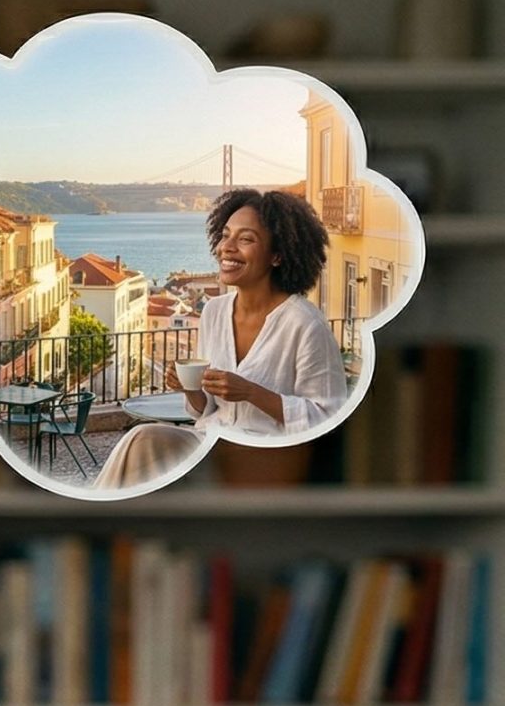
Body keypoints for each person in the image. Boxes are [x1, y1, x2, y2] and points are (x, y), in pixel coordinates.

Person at [95, 188, 347, 490]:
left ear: (277, 255)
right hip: (210, 443)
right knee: (142, 438)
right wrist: (190, 389)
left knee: (142, 456)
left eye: (246, 239)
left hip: (267, 457)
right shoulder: (214, 311)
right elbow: (205, 410)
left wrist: (251, 392)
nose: (226, 248)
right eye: (225, 235)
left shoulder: (305, 324)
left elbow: (327, 419)